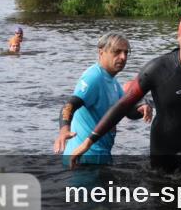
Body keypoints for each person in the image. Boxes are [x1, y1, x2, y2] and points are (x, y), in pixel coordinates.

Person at [70, 11, 181, 181]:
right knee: (162, 202)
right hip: (163, 147)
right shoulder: (157, 69)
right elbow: (124, 105)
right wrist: (89, 141)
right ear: (178, 38)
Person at [53, 33, 151, 164]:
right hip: (82, 159)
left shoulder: (113, 81)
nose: (123, 57)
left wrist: (141, 108)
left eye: (126, 53)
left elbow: (126, 111)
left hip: (99, 156)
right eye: (117, 52)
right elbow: (70, 105)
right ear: (101, 52)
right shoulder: (94, 77)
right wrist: (64, 130)